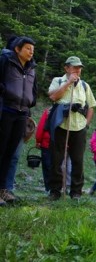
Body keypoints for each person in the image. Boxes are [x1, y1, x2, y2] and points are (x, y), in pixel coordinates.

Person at [47, 56, 96, 200]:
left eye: (79, 67)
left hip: (79, 127)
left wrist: (86, 124)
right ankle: (55, 191)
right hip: (60, 125)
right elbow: (53, 97)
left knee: (78, 160)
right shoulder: (58, 81)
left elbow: (91, 106)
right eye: (75, 67)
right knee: (57, 159)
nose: (78, 70)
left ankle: (76, 192)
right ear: (67, 68)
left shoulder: (85, 86)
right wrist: (68, 83)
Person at [0, 36, 37, 205]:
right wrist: (5, 92)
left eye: (33, 50)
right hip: (6, 110)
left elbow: (32, 89)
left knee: (10, 152)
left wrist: (31, 101)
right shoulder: (6, 61)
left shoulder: (31, 68)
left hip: (22, 113)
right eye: (28, 48)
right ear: (17, 49)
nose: (31, 52)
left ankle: (3, 190)